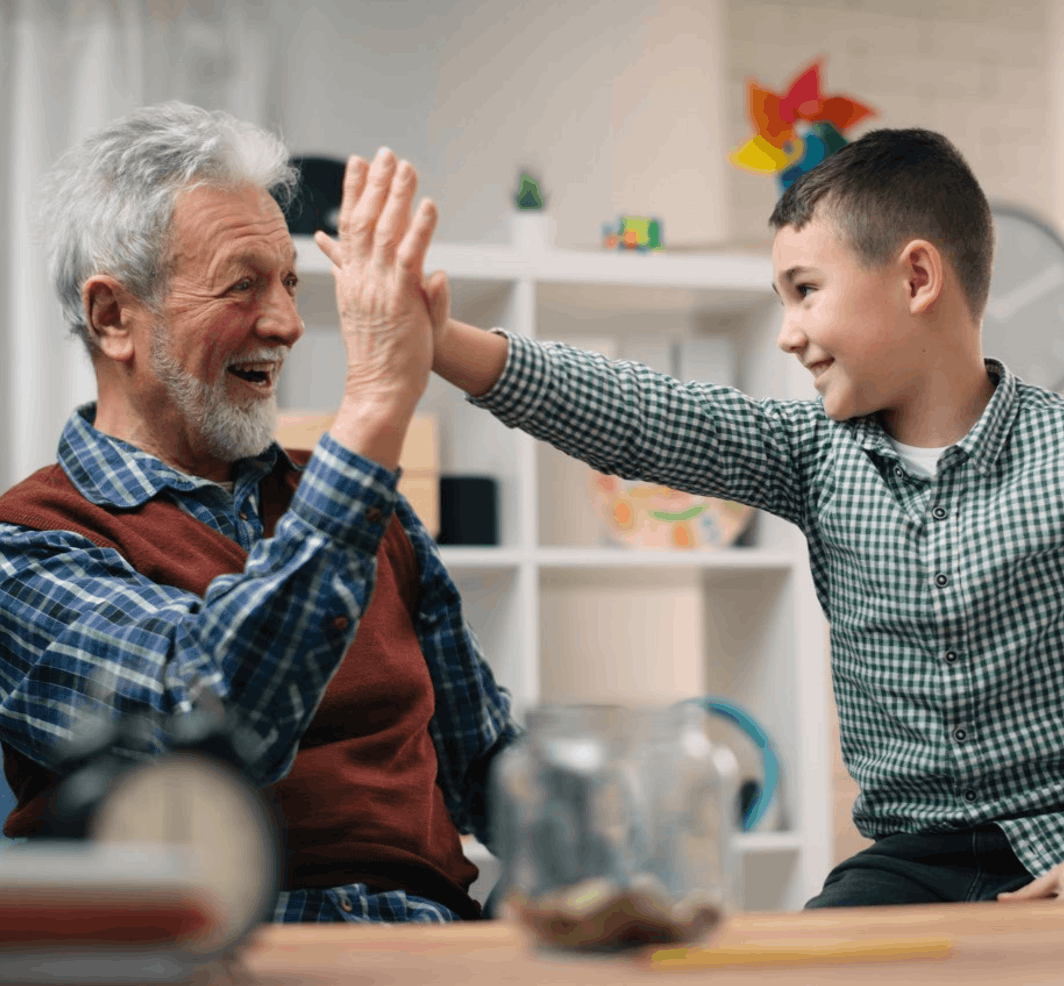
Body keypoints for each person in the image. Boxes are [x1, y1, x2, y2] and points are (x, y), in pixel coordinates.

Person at [423, 127, 1064, 907]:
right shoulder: (813, 452)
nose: (789, 334)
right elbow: (648, 417)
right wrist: (442, 343)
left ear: (918, 277)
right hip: (907, 861)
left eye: (806, 290)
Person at [0, 101, 519, 924]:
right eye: (242, 285)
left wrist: (586, 839)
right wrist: (377, 402)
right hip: (214, 953)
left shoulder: (371, 513)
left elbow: (493, 773)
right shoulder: (27, 542)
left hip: (433, 947)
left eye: (289, 284)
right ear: (112, 317)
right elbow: (214, 715)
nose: (285, 324)